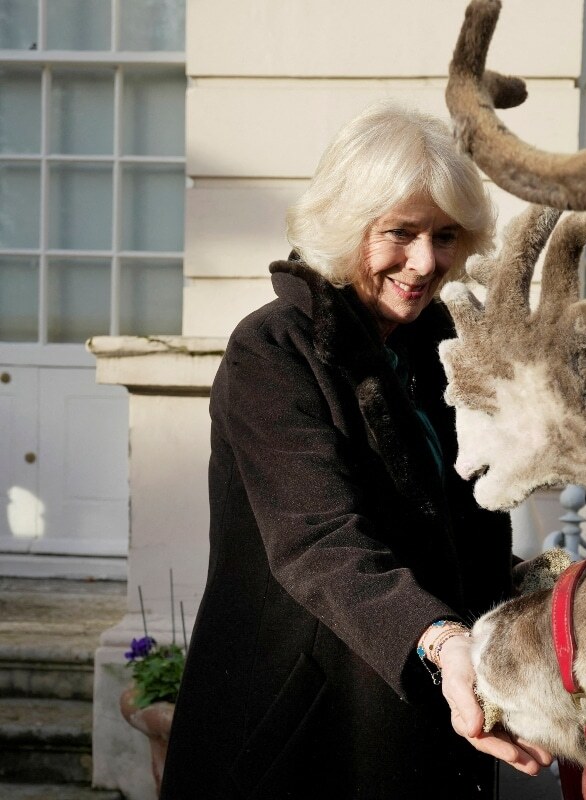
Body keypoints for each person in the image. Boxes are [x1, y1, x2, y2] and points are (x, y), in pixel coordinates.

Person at [160, 102, 551, 799]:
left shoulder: (442, 349)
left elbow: (457, 531)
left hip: (429, 719)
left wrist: (538, 593)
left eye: (446, 235)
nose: (426, 261)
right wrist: (441, 638)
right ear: (346, 227)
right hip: (303, 731)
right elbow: (319, 540)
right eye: (399, 233)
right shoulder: (273, 349)